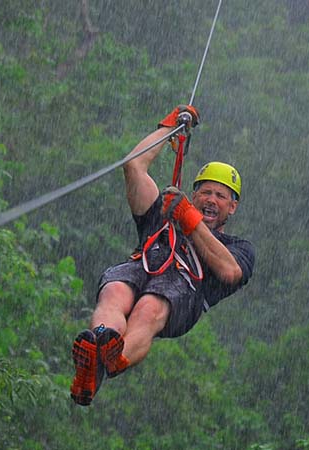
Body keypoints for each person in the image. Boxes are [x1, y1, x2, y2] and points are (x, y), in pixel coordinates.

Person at [70, 105, 255, 406]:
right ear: (194, 195)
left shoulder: (239, 247)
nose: (211, 200)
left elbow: (230, 271)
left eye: (220, 196)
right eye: (205, 193)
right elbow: (133, 166)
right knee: (115, 290)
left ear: (232, 207)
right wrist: (169, 128)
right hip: (143, 267)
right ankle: (98, 349)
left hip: (181, 294)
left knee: (149, 306)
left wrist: (188, 218)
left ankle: (110, 363)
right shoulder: (164, 214)